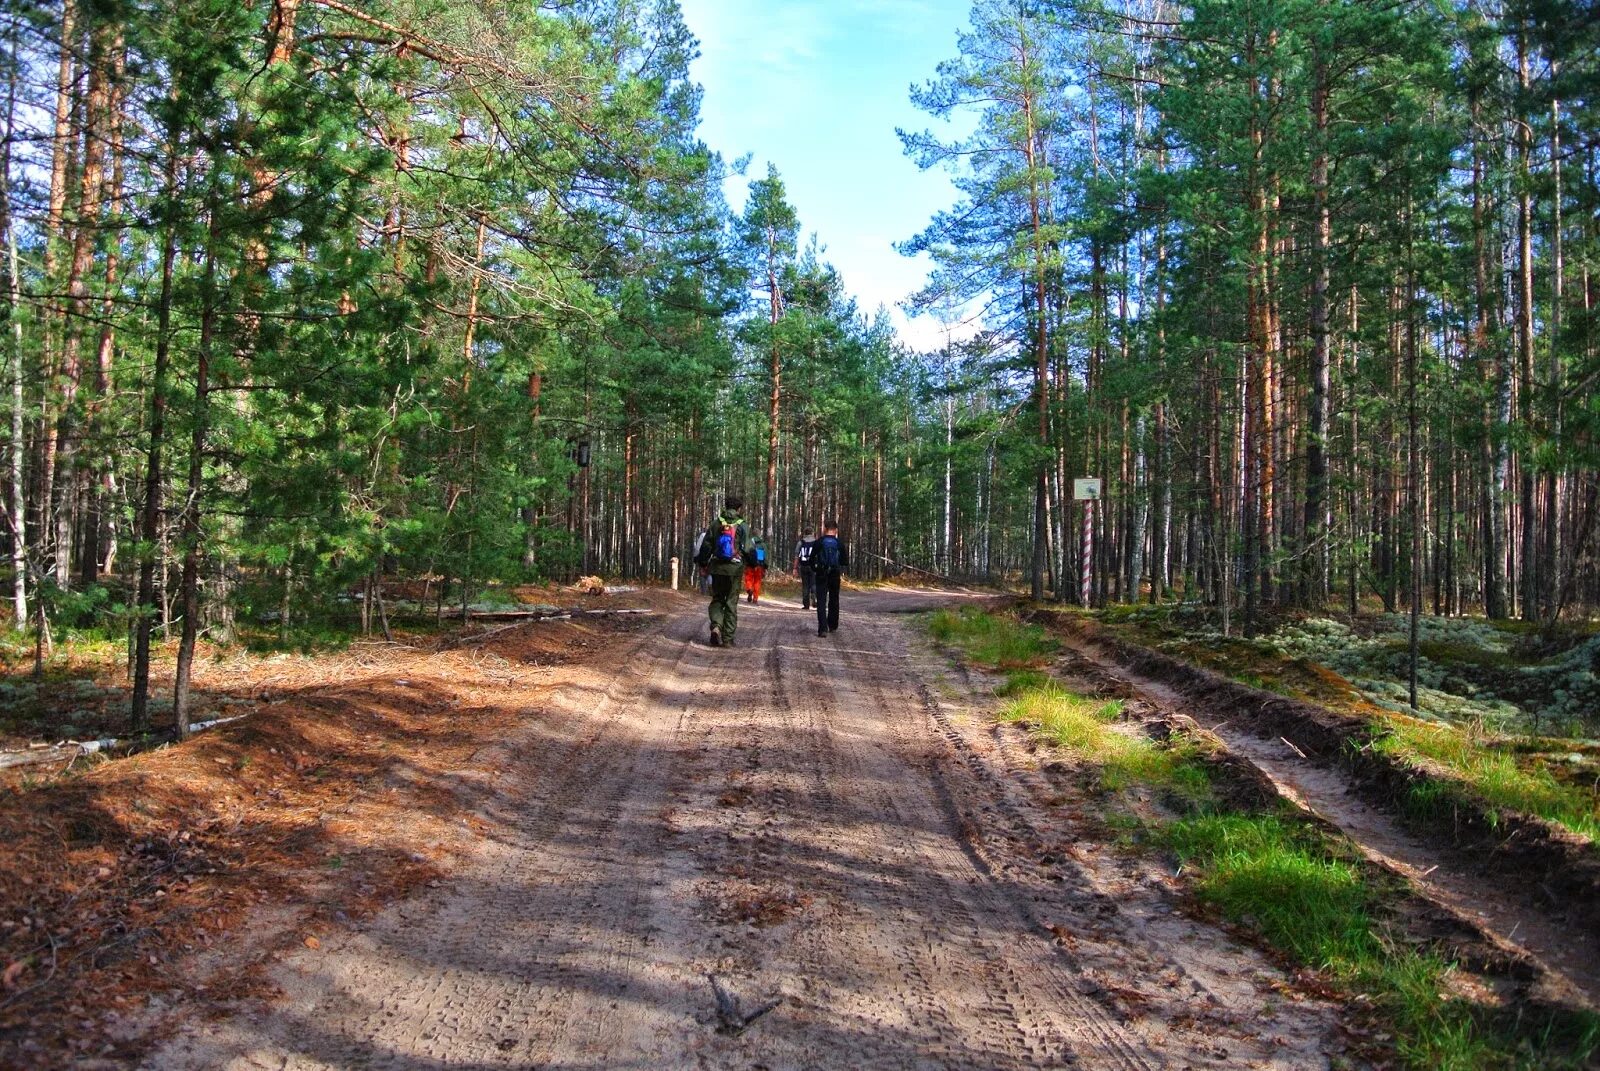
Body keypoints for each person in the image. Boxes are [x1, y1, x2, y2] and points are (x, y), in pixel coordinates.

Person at [693, 495, 753, 647]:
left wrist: (702, 562)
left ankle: (716, 626)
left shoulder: (716, 523)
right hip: (735, 569)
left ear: (726, 507)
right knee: (731, 603)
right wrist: (753, 563)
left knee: (718, 599)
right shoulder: (743, 525)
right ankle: (727, 639)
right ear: (739, 509)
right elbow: (747, 548)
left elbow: (707, 546)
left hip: (717, 568)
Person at [811, 521, 848, 637]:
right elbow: (844, 561)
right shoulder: (839, 543)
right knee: (834, 599)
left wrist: (816, 569)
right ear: (836, 530)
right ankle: (832, 625)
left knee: (821, 600)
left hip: (822, 573)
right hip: (834, 573)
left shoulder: (819, 542)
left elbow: (811, 558)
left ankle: (822, 628)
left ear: (825, 529)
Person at [794, 529, 817, 610]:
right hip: (814, 566)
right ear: (812, 533)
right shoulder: (816, 542)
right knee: (814, 583)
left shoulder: (800, 543)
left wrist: (795, 568)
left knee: (805, 585)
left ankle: (806, 605)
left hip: (803, 566)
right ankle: (814, 596)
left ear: (804, 534)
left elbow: (797, 556)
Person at [744, 537, 768, 604]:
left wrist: (745, 563)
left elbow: (745, 552)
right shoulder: (763, 545)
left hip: (750, 565)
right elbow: (765, 556)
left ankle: (749, 589)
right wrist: (765, 566)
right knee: (757, 582)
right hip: (759, 566)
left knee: (748, 579)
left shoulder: (749, 542)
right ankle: (755, 598)